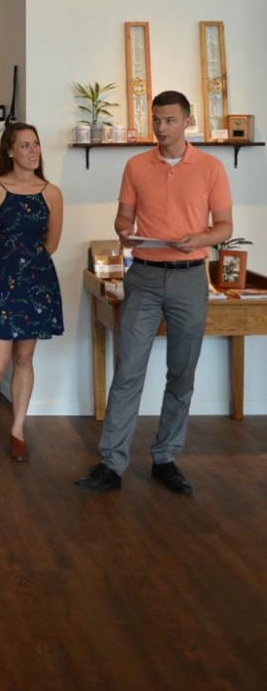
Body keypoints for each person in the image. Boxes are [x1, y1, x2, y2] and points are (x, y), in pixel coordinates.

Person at [76, 90, 233, 494]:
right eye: (156, 121)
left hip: (189, 277)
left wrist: (195, 238)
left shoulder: (211, 168)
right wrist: (124, 231)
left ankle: (165, 457)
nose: (161, 129)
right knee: (128, 370)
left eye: (169, 120)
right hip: (143, 276)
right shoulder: (135, 166)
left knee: (182, 371)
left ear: (187, 121)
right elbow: (123, 218)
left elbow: (224, 229)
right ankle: (111, 463)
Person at [0, 122, 63, 468]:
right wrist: (6, 261)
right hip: (1, 283)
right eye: (25, 145)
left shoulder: (51, 193)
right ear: (9, 150)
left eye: (36, 144)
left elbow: (51, 245)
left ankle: (18, 431)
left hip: (35, 285)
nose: (33, 150)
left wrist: (23, 264)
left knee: (23, 359)